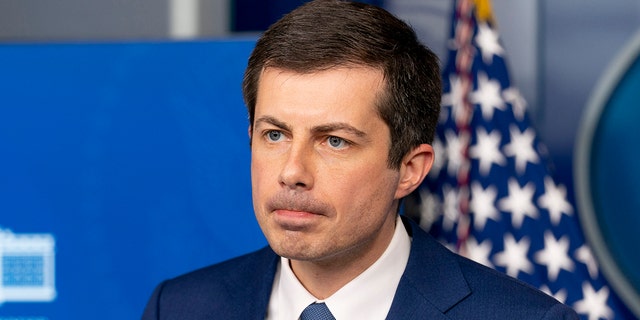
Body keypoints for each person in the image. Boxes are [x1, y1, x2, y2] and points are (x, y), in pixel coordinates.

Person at [142, 0, 578, 319]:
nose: (292, 172)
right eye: (274, 134)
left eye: (334, 142)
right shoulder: (179, 307)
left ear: (410, 169)